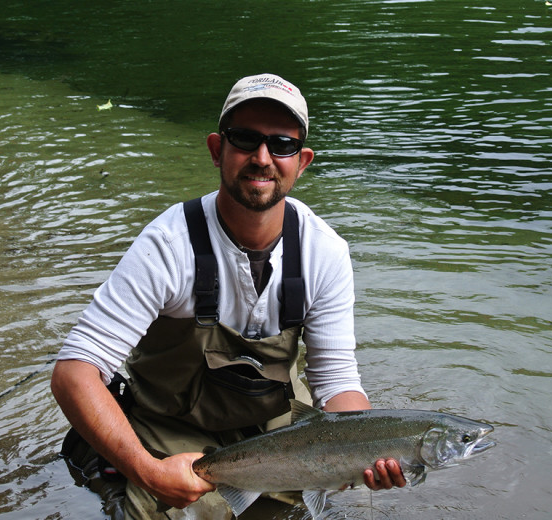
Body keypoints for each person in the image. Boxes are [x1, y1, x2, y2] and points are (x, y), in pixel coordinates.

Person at [51, 73, 405, 519]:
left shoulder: (325, 252)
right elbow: (74, 374)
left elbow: (336, 382)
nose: (262, 158)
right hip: (167, 429)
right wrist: (146, 470)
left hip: (276, 434)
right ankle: (114, 477)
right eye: (245, 139)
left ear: (302, 161)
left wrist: (368, 449)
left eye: (281, 144)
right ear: (218, 149)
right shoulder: (168, 245)